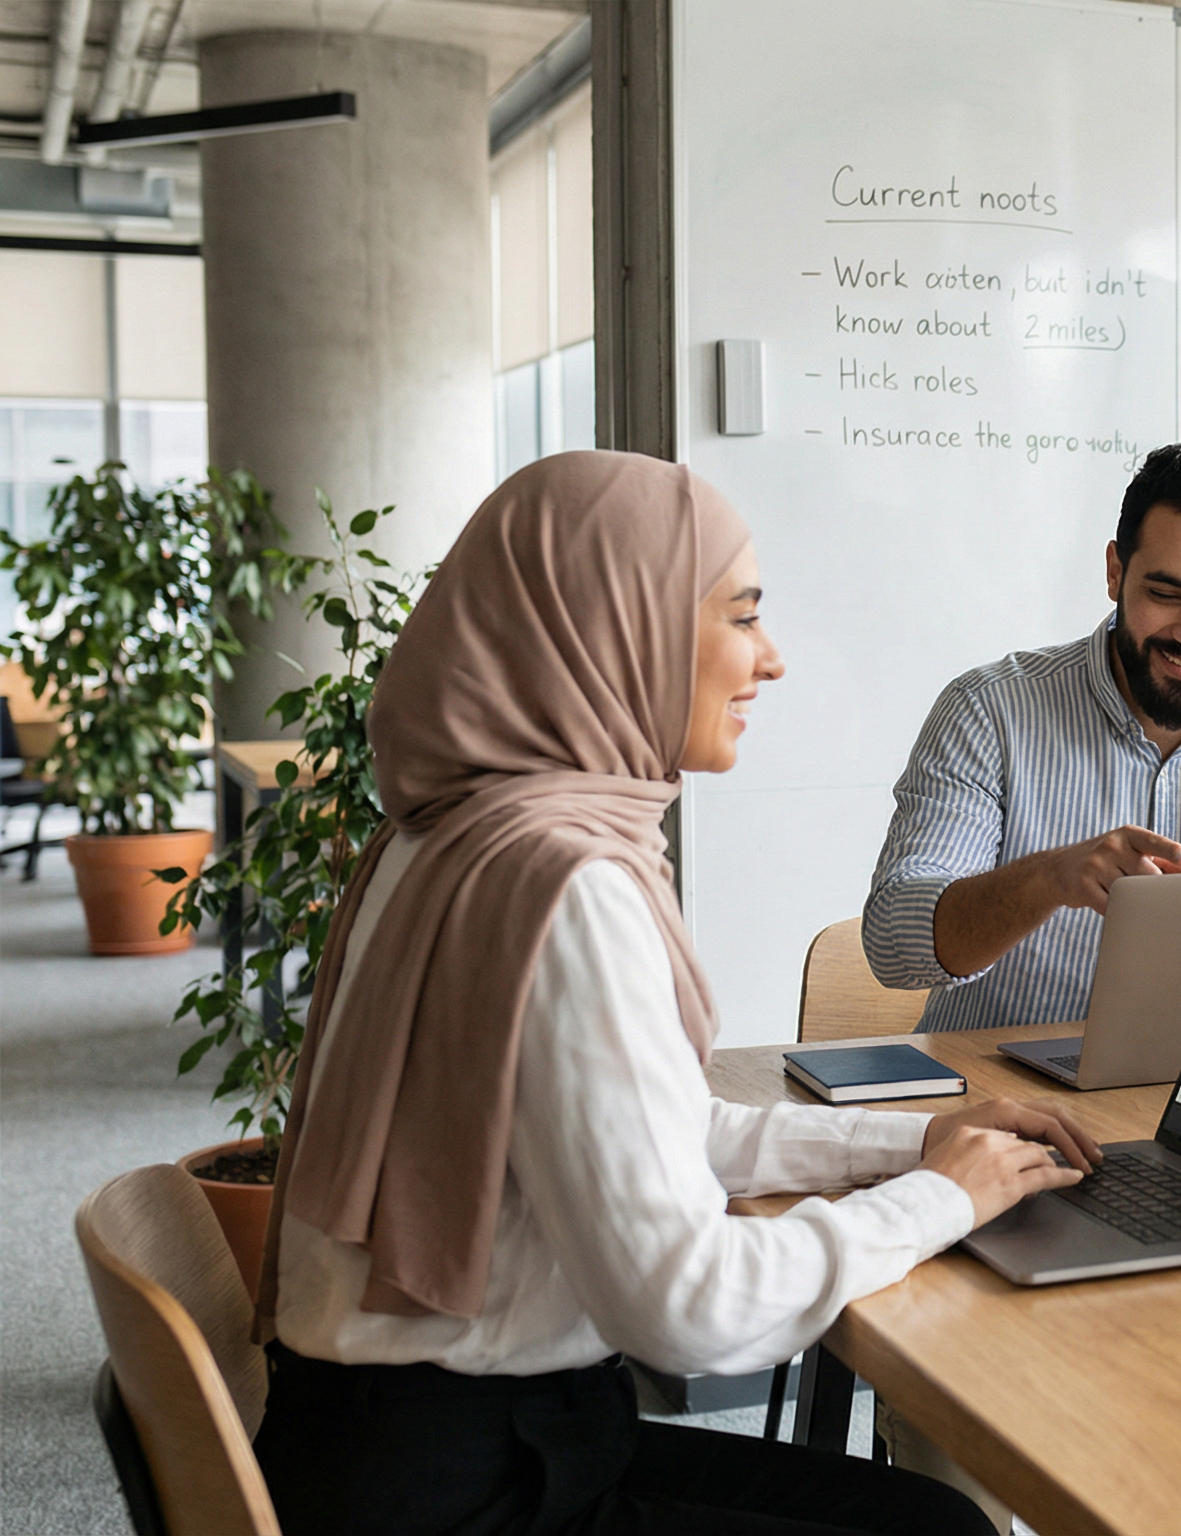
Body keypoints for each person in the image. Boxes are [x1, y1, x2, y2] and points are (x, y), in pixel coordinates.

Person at [248, 452, 1104, 1534]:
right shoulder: (564, 887)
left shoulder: (454, 835)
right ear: (620, 627)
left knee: (931, 1520)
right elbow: (691, 1312)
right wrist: (948, 1201)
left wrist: (917, 1147)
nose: (771, 658)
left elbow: (656, 1132)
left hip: (389, 1439)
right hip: (466, 1486)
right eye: (741, 615)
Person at [865, 441, 1181, 1029]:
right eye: (1166, 595)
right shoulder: (989, 711)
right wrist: (1050, 878)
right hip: (997, 1103)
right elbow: (893, 949)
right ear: (1115, 571)